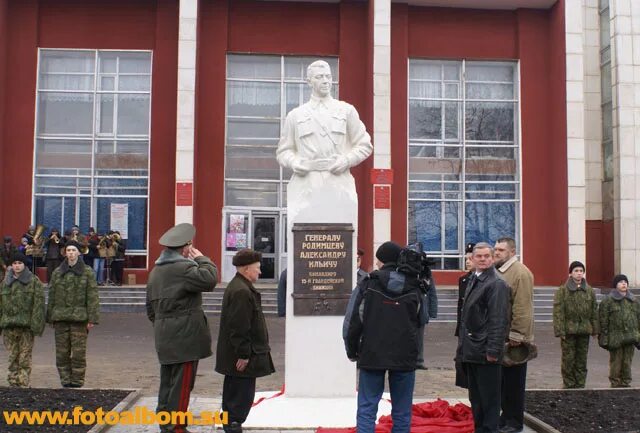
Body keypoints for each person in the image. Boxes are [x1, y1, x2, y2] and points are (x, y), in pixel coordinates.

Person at [276, 60, 373, 221]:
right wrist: (294, 162)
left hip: (338, 181)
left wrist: (346, 160)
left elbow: (365, 144)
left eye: (328, 76)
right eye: (319, 77)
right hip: (306, 183)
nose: (326, 81)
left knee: (340, 228)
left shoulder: (346, 111)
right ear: (309, 81)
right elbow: (283, 151)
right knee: (305, 228)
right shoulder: (296, 115)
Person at [146, 223, 218, 433]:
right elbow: (211, 279)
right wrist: (202, 259)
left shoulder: (155, 271)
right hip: (184, 337)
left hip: (165, 335)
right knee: (183, 384)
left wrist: (164, 325)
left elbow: (150, 308)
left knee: (168, 383)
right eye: (189, 247)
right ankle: (176, 427)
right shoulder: (184, 268)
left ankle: (165, 423)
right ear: (185, 248)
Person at [345, 241, 421, 433]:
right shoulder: (415, 286)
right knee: (402, 411)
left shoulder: (367, 284)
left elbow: (352, 321)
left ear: (380, 260)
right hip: (405, 355)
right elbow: (422, 321)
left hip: (372, 352)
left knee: (367, 408)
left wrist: (352, 350)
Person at [216, 249, 275, 433]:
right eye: (257, 268)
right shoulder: (241, 291)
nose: (260, 271)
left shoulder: (241, 287)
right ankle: (233, 427)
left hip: (241, 357)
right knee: (239, 400)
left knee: (235, 397)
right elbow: (239, 327)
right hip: (241, 359)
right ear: (246, 269)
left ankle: (231, 424)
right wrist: (243, 354)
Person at [456, 242, 510, 433]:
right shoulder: (474, 279)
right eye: (478, 256)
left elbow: (498, 320)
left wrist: (494, 351)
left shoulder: (496, 284)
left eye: (487, 256)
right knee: (476, 399)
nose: (483, 259)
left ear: (493, 258)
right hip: (472, 349)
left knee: (489, 402)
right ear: (472, 259)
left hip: (486, 352)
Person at [494, 237, 534, 433]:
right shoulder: (501, 271)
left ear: (512, 251)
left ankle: (514, 421)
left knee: (514, 383)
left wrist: (517, 335)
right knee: (503, 381)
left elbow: (523, 307)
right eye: (496, 249)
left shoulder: (520, 273)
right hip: (501, 336)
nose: (497, 253)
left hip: (514, 339)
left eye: (501, 250)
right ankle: (505, 416)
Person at [46, 240, 99, 388]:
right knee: (61, 353)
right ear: (65, 252)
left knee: (78, 353)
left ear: (79, 253)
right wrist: (50, 316)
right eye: (68, 250)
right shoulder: (57, 272)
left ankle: (77, 381)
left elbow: (92, 295)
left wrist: (92, 318)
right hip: (61, 318)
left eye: (73, 250)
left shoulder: (87, 272)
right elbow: (52, 295)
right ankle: (65, 380)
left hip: (79, 319)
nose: (70, 253)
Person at [0, 252, 45, 387]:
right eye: (14, 263)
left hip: (26, 325)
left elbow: (38, 304)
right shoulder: (5, 283)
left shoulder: (33, 281)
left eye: (20, 263)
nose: (17, 266)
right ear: (11, 266)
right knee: (12, 355)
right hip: (9, 325)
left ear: (24, 265)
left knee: (25, 355)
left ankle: (23, 382)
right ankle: (13, 381)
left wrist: (36, 324)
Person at [552, 261, 599, 389]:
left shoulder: (589, 291)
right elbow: (558, 311)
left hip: (584, 330)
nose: (579, 274)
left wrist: (595, 329)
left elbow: (594, 310)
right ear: (570, 273)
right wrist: (560, 330)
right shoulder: (563, 290)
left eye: (581, 271)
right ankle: (568, 383)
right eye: (576, 271)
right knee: (568, 359)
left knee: (581, 359)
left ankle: (580, 384)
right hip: (569, 330)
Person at [598, 274, 640, 388]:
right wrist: (604, 337)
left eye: (625, 282)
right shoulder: (608, 301)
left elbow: (638, 318)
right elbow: (603, 320)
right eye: (621, 282)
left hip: (631, 336)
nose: (624, 284)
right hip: (615, 337)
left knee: (627, 362)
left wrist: (638, 335)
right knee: (616, 362)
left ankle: (626, 383)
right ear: (615, 285)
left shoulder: (634, 301)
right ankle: (615, 383)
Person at [454, 242, 475, 388]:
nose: (467, 261)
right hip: (464, 330)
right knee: (461, 363)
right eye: (466, 259)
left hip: (476, 331)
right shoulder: (463, 280)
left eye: (470, 258)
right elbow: (460, 306)